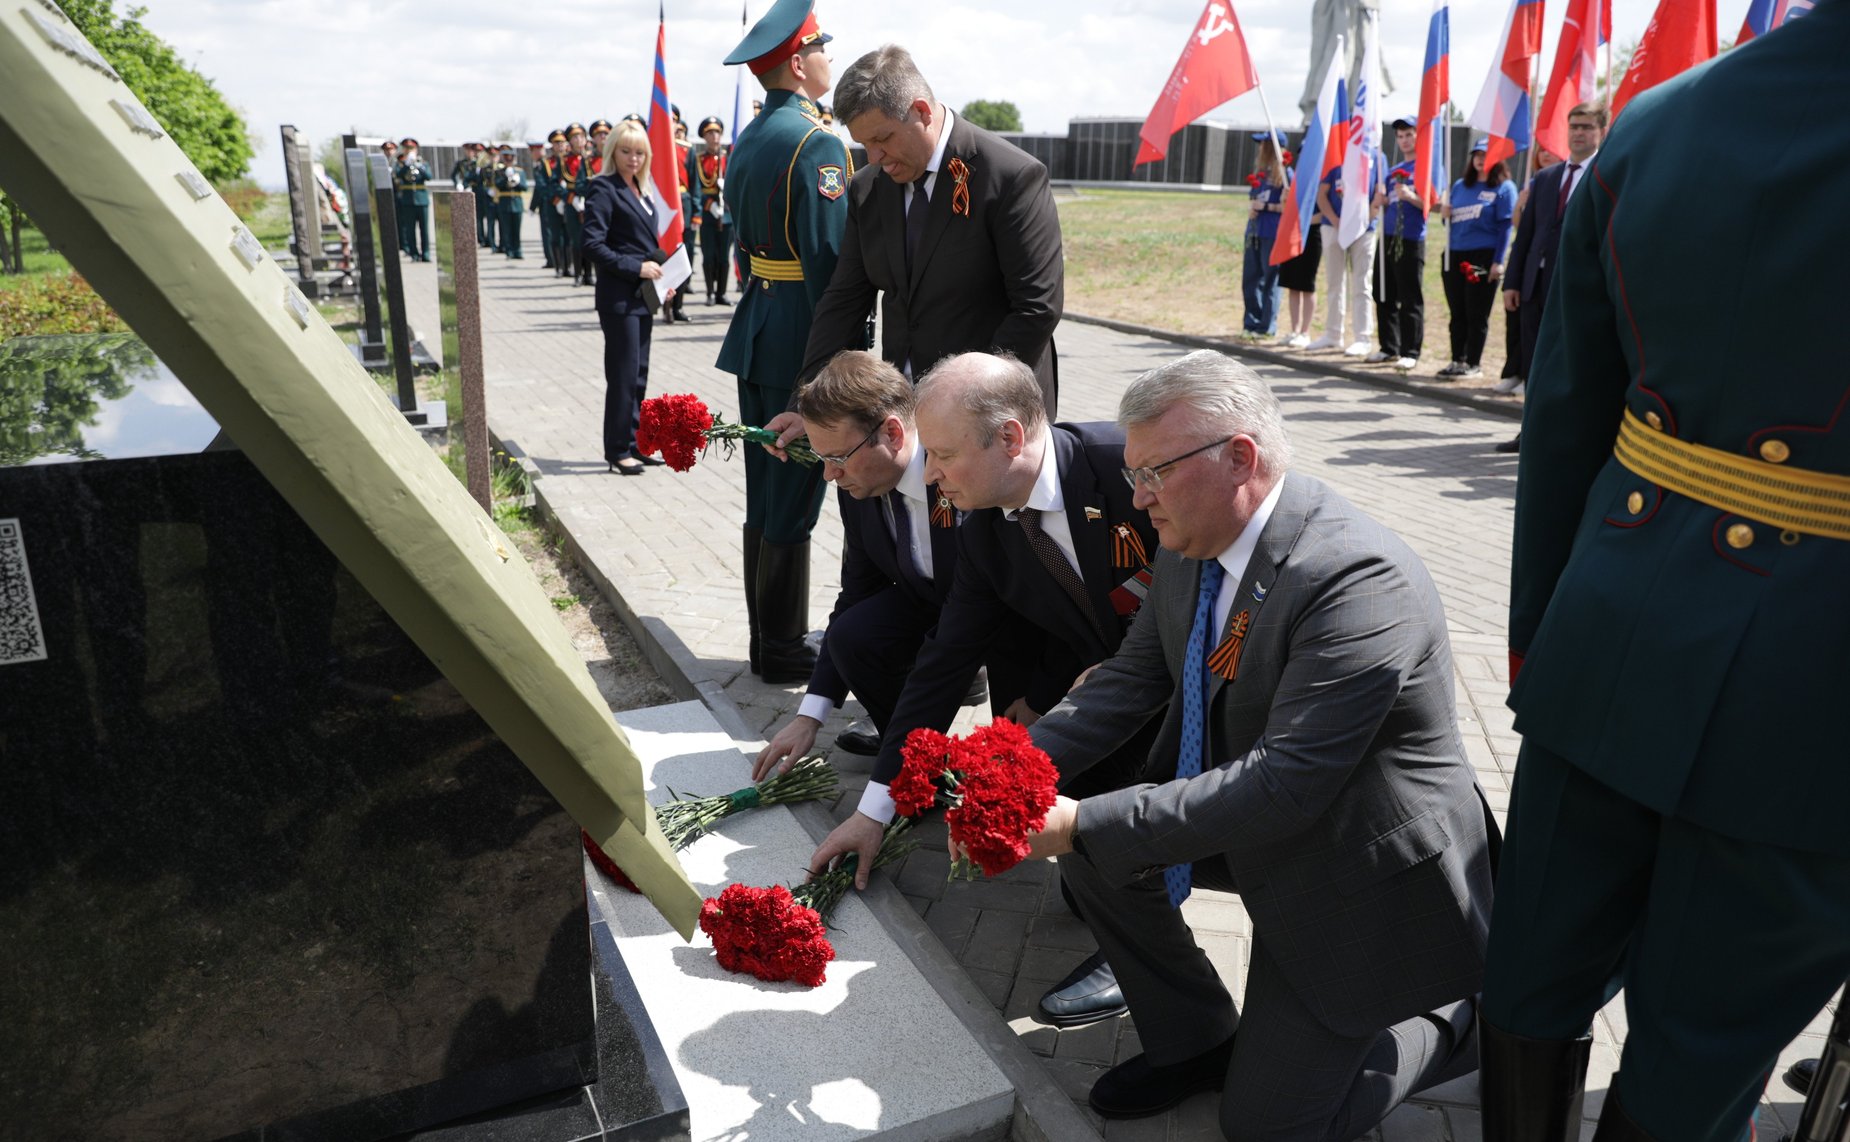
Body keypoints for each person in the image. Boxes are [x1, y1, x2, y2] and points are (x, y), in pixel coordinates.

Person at [1482, 4, 1850, 1136]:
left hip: (1604, 633)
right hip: (1813, 685)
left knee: (1533, 970)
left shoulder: (1653, 121)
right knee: (1700, 1044)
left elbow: (1563, 417)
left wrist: (1535, 635)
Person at [1018, 349, 1494, 1138]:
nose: (1137, 500)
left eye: (1153, 474)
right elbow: (1129, 681)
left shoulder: (1354, 576)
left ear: (1239, 457)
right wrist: (1010, 766)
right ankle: (1198, 1037)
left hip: (1352, 869)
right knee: (1097, 854)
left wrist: (1077, 822)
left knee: (1268, 1127)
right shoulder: (1192, 540)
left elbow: (1285, 786)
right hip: (1255, 822)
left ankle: (1458, 1013)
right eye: (1133, 474)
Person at [805, 351, 1164, 1029]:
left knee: (1129, 807)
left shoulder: (1127, 466)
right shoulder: (985, 530)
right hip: (1092, 676)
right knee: (1072, 838)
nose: (930, 473)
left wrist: (1124, 675)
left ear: (1009, 438)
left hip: (1201, 677)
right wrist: (875, 810)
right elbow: (942, 668)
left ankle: (1139, 953)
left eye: (941, 453)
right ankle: (1120, 900)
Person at [784, 44, 1065, 417]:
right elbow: (844, 300)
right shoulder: (868, 188)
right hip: (905, 409)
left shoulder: (1010, 176)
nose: (874, 158)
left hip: (993, 412)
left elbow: (1036, 308)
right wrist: (809, 405)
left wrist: (968, 402)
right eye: (864, 144)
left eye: (882, 139)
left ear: (921, 111)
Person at [714, 0, 853, 684]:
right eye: (823, 45)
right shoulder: (818, 141)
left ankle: (765, 642)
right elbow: (831, 262)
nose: (831, 53)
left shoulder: (750, 137)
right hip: (803, 332)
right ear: (798, 63)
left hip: (759, 323)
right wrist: (849, 355)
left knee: (764, 492)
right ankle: (785, 647)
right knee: (795, 493)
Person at [753, 352, 970, 777]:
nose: (829, 476)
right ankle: (920, 766)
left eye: (837, 457)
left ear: (891, 432)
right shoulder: (860, 485)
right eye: (822, 460)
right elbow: (857, 592)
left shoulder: (958, 471)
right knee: (854, 634)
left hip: (993, 615)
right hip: (931, 602)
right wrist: (809, 716)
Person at [1494, 107, 1604, 455]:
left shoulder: (1606, 177)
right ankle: (1531, 430)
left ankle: (1567, 437)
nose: (1578, 133)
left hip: (1576, 288)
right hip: (1533, 287)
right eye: (1573, 126)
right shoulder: (1545, 178)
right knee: (1533, 361)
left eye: (1587, 127)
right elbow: (1526, 235)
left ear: (1602, 130)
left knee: (1570, 363)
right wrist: (1512, 282)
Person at [583, 119, 669, 478]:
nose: (633, 159)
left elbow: (646, 245)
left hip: (643, 296)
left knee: (638, 374)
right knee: (622, 375)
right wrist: (638, 268)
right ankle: (617, 450)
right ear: (612, 151)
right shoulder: (603, 189)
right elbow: (593, 245)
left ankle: (634, 443)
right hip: (619, 298)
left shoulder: (641, 188)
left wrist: (666, 277)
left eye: (639, 153)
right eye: (626, 151)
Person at [1437, 140, 1514, 380]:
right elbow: (1451, 222)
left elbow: (1504, 228)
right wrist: (1444, 215)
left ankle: (1473, 362)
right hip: (1454, 253)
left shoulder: (1504, 188)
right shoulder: (1460, 186)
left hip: (1482, 255)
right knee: (1457, 311)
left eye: (1487, 154)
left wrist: (1497, 261)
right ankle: (1456, 359)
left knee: (1476, 312)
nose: (1481, 159)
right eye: (1477, 154)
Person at [1304, 140, 1381, 356]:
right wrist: (1335, 220)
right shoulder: (1335, 157)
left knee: (1362, 282)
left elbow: (1378, 194)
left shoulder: (1376, 156)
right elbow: (1322, 194)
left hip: (1364, 229)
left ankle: (1362, 337)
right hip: (1333, 227)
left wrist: (1363, 220)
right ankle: (1333, 333)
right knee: (1335, 282)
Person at [1372, 117, 1427, 370]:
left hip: (1411, 239)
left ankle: (1410, 351)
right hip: (1388, 236)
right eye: (1400, 136)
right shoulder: (1393, 171)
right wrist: (1380, 200)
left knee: (1409, 296)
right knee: (1383, 291)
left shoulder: (1427, 167)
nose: (1404, 141)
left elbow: (1435, 205)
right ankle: (1388, 347)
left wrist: (1412, 196)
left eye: (1409, 135)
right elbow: (1380, 202)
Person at [1239, 133, 1287, 342]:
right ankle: (1251, 322)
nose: (1260, 149)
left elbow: (1289, 208)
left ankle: (1267, 325)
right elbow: (1254, 198)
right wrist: (1252, 209)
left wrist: (1267, 207)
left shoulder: (1286, 175)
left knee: (1270, 280)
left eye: (1263, 145)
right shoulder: (1260, 174)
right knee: (1250, 278)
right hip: (1254, 231)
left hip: (1272, 233)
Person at [688, 116, 734, 306]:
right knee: (709, 256)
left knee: (724, 256)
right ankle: (709, 292)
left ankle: (721, 293)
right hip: (708, 214)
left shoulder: (728, 159)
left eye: (717, 132)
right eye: (710, 133)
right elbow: (696, 186)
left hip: (727, 214)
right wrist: (709, 205)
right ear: (704, 137)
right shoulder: (699, 160)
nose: (715, 136)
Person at [1276, 210, 1322, 349]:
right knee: (1292, 285)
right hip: (1292, 233)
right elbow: (1285, 207)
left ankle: (1305, 332)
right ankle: (1294, 330)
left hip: (1312, 234)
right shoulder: (1292, 187)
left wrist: (1303, 221)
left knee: (1307, 285)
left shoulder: (1316, 187)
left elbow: (1322, 214)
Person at [392, 137, 432, 262]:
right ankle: (414, 253)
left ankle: (426, 253)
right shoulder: (401, 163)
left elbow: (428, 176)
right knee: (410, 229)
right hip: (408, 199)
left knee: (424, 229)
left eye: (411, 148)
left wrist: (418, 165)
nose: (409, 151)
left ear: (416, 149)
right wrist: (407, 165)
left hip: (421, 198)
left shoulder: (423, 162)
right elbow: (397, 175)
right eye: (406, 148)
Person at [492, 145, 527, 259]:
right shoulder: (499, 171)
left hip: (517, 202)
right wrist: (506, 178)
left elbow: (525, 187)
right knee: (506, 229)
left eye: (510, 158)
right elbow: (497, 185)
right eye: (506, 158)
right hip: (504, 202)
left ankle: (518, 250)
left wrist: (517, 182)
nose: (508, 160)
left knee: (517, 229)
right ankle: (509, 251)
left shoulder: (520, 171)